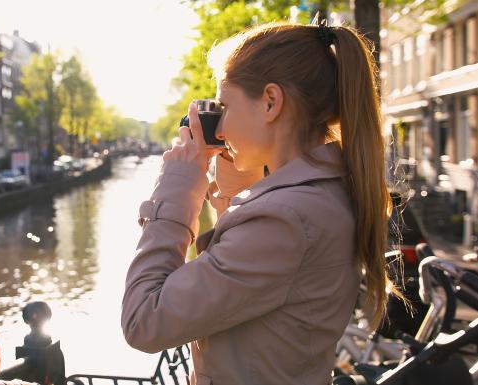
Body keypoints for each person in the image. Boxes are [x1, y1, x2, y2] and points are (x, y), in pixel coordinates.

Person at [121, 22, 399, 385]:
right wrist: (234, 194)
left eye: (225, 106)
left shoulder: (285, 218)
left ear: (271, 101)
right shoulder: (317, 197)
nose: (219, 130)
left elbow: (144, 321)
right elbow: (248, 302)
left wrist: (175, 191)